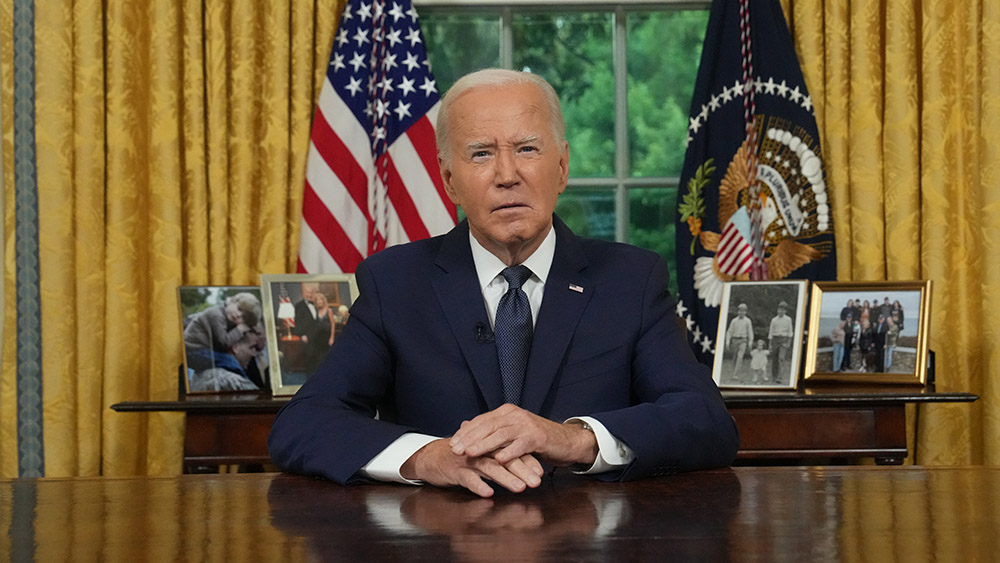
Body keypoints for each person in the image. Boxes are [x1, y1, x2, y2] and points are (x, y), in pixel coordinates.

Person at [267, 68, 739, 497]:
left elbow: (705, 420)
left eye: (527, 149)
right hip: (441, 537)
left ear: (562, 167)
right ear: (449, 181)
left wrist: (574, 439)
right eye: (481, 154)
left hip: (590, 536)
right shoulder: (394, 284)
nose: (507, 176)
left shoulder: (631, 280)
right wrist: (426, 457)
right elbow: (303, 423)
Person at [725, 303, 753, 382]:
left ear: (745, 312)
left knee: (740, 357)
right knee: (735, 357)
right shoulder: (734, 321)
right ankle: (734, 371)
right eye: (740, 311)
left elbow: (750, 332)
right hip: (735, 340)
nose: (741, 312)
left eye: (743, 311)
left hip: (743, 340)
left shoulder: (747, 321)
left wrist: (750, 342)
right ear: (738, 311)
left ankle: (735, 374)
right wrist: (727, 341)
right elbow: (729, 331)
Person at [768, 301, 793, 383]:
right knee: (774, 359)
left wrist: (789, 342)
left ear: (785, 311)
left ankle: (780, 377)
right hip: (775, 339)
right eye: (779, 310)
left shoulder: (788, 319)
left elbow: (790, 332)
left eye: (782, 310)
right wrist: (770, 344)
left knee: (781, 358)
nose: (780, 312)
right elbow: (771, 332)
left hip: (784, 340)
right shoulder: (774, 320)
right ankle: (774, 376)